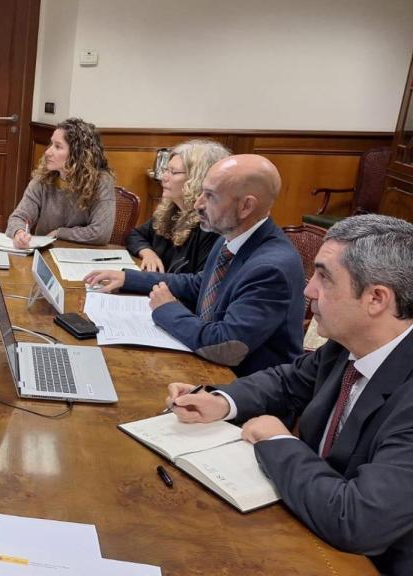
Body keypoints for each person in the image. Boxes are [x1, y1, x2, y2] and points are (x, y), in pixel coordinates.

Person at [165, 214, 413, 575]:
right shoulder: (348, 346)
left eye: (324, 277)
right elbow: (287, 381)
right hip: (310, 527)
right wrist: (222, 401)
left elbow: (358, 520)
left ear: (376, 298)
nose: (309, 290)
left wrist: (278, 440)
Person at [84, 155, 305, 376]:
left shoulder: (271, 268)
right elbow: (201, 284)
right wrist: (130, 279)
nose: (198, 203)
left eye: (210, 196)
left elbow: (225, 346)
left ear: (246, 206)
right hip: (206, 364)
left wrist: (167, 309)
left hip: (244, 386)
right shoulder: (230, 237)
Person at [6, 117, 115, 247]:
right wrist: (19, 232)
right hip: (45, 253)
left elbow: (101, 233)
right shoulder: (43, 178)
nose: (47, 152)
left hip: (81, 256)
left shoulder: (101, 182)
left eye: (58, 147)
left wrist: (59, 233)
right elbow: (18, 217)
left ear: (78, 153)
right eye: (51, 144)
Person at [126, 140, 229, 273]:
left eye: (173, 172)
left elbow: (196, 283)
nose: (163, 177)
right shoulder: (171, 209)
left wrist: (131, 279)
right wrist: (147, 252)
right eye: (166, 170)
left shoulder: (210, 224)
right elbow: (135, 234)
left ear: (197, 178)